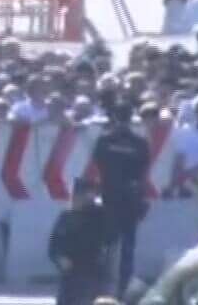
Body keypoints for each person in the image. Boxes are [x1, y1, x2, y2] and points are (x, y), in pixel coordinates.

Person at [91, 103, 153, 298]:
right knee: (125, 247)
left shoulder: (104, 140)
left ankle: (103, 289)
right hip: (129, 199)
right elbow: (143, 171)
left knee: (107, 246)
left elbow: (98, 165)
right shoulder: (139, 143)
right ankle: (121, 290)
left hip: (111, 197)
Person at [49, 179, 111, 305]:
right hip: (70, 273)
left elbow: (105, 239)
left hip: (91, 271)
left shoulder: (99, 216)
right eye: (76, 195)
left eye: (83, 194)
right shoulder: (67, 216)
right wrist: (59, 258)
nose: (77, 198)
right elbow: (54, 244)